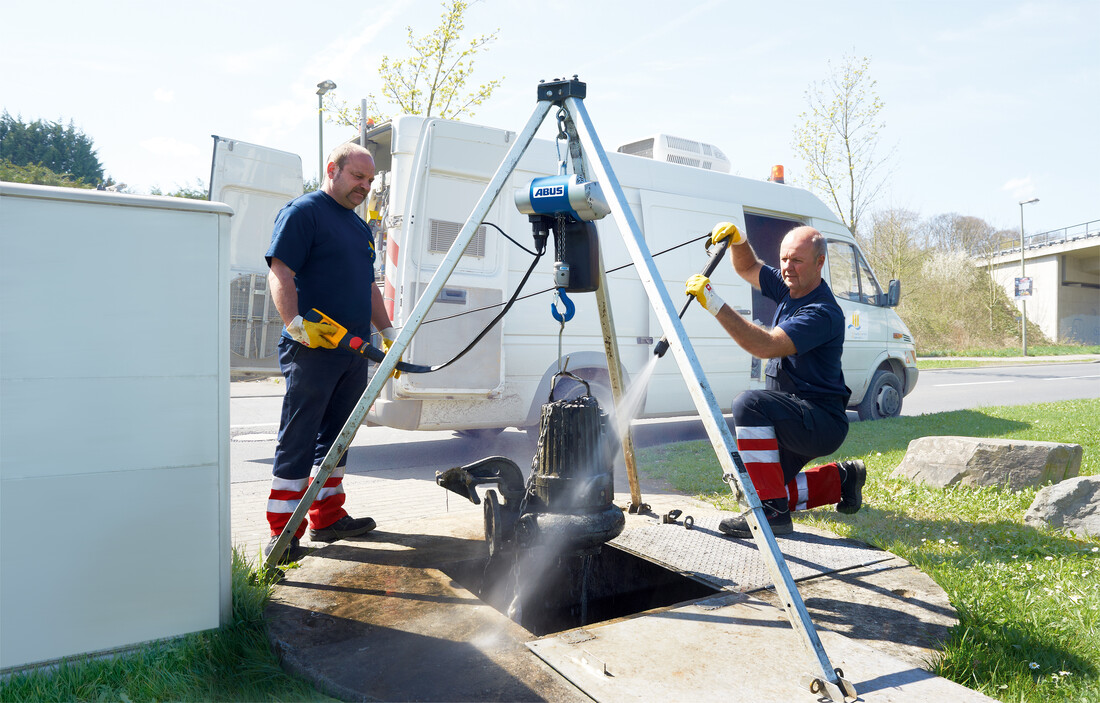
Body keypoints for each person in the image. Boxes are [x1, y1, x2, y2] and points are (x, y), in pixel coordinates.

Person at [685, 223, 865, 537]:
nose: (786, 267)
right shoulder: (788, 286)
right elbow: (749, 267)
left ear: (819, 263)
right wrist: (739, 240)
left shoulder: (822, 312)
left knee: (748, 404)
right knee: (757, 489)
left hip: (818, 421)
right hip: (794, 417)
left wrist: (715, 303)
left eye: (796, 260)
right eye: (783, 259)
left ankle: (773, 516)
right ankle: (843, 479)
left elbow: (765, 346)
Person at [263, 142, 397, 562]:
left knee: (339, 439)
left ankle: (327, 518)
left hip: (354, 352)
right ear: (332, 170)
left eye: (371, 181)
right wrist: (295, 325)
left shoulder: (358, 227)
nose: (365, 187)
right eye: (358, 177)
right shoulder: (304, 212)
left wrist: (388, 332)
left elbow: (367, 286)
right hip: (313, 349)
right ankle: (283, 533)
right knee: (298, 438)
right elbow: (279, 270)